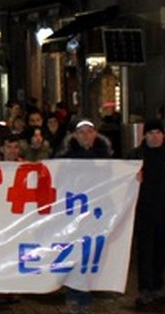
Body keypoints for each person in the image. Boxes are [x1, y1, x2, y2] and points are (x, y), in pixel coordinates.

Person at [127, 119, 165, 308]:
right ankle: (145, 289)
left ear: (163, 135)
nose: (154, 136)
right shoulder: (135, 156)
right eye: (151, 133)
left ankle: (157, 286)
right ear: (144, 135)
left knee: (161, 252)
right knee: (145, 252)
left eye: (158, 132)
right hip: (144, 213)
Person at [59, 119, 113, 314]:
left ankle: (86, 293)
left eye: (89, 132)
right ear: (75, 135)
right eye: (81, 132)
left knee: (92, 255)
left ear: (95, 133)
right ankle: (74, 294)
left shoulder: (106, 156)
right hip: (74, 214)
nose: (85, 136)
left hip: (98, 212)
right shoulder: (66, 156)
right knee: (75, 255)